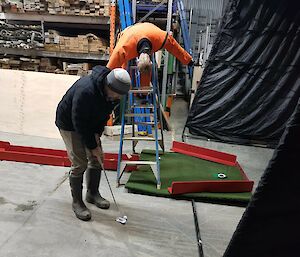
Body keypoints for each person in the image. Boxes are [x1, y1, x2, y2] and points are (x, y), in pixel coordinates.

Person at [55, 66, 131, 221]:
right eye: (117, 94)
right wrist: (91, 145)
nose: (118, 98)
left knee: (97, 159)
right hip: (69, 123)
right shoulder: (86, 91)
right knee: (80, 163)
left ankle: (92, 193)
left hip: (88, 122)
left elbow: (103, 116)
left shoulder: (111, 95)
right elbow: (79, 122)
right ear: (108, 87)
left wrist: (97, 138)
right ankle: (77, 202)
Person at [107, 22, 194, 87]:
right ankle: (125, 86)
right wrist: (104, 77)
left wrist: (188, 60)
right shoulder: (124, 47)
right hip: (130, 31)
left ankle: (144, 91)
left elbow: (176, 48)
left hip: (150, 29)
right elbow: (112, 65)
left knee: (145, 69)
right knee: (122, 67)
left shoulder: (162, 39)